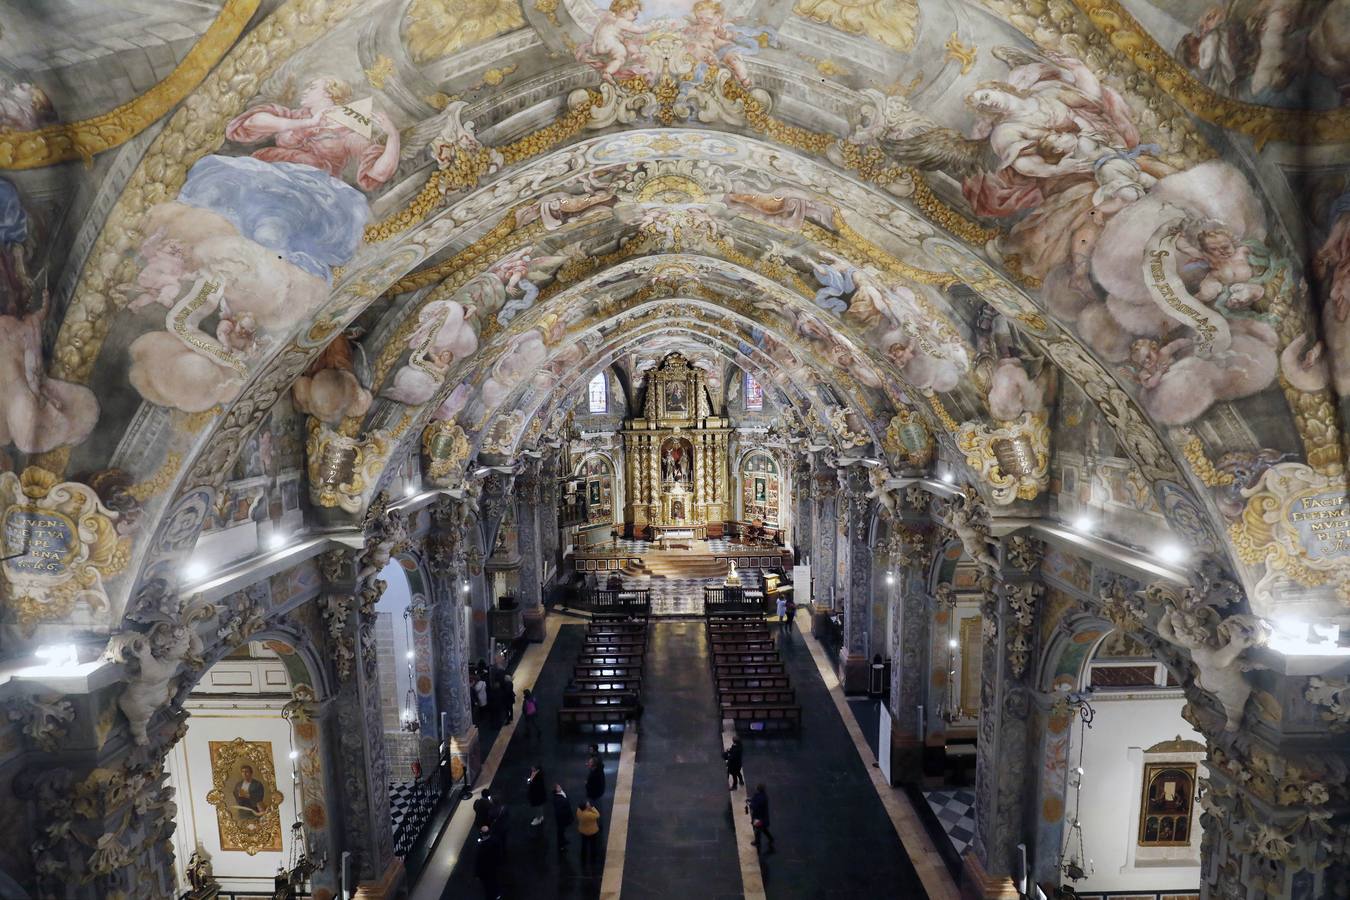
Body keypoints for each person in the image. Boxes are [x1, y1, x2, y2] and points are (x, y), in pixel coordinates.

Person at [474, 825, 504, 900]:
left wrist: (477, 874)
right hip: (494, 867)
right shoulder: (495, 840)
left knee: (488, 885)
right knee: (494, 880)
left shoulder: (482, 847)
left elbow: (479, 861)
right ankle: (497, 894)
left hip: (485, 871)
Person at [748, 784, 775, 852]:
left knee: (758, 830)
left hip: (758, 817)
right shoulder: (763, 796)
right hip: (762, 816)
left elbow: (755, 806)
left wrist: (750, 804)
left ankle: (757, 842)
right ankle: (770, 838)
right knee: (763, 829)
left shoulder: (759, 797)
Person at [577, 800, 602, 869]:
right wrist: (592, 808)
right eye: (587, 804)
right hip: (591, 831)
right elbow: (597, 815)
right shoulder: (588, 815)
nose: (589, 804)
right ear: (585, 807)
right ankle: (593, 858)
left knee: (584, 844)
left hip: (583, 830)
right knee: (592, 845)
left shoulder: (579, 811)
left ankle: (583, 856)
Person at [551, 784, 574, 851]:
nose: (560, 787)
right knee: (560, 832)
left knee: (562, 831)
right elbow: (559, 811)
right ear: (556, 791)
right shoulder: (557, 799)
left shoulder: (561, 793)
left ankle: (563, 840)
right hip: (561, 819)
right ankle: (561, 845)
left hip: (564, 817)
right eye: (558, 787)